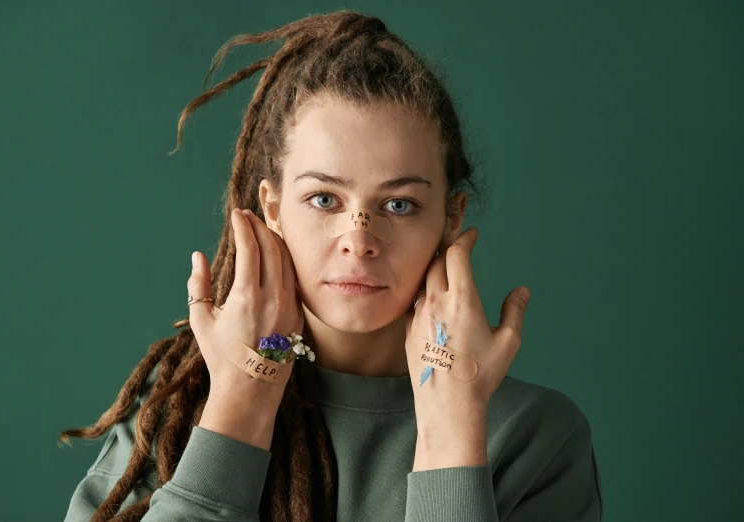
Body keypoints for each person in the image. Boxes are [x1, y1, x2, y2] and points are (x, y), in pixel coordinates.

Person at [59, 9, 603, 522]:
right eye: (324, 199)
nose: (359, 240)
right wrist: (242, 400)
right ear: (272, 208)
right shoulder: (179, 407)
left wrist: (452, 425)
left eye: (399, 204)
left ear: (450, 216)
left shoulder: (535, 435)